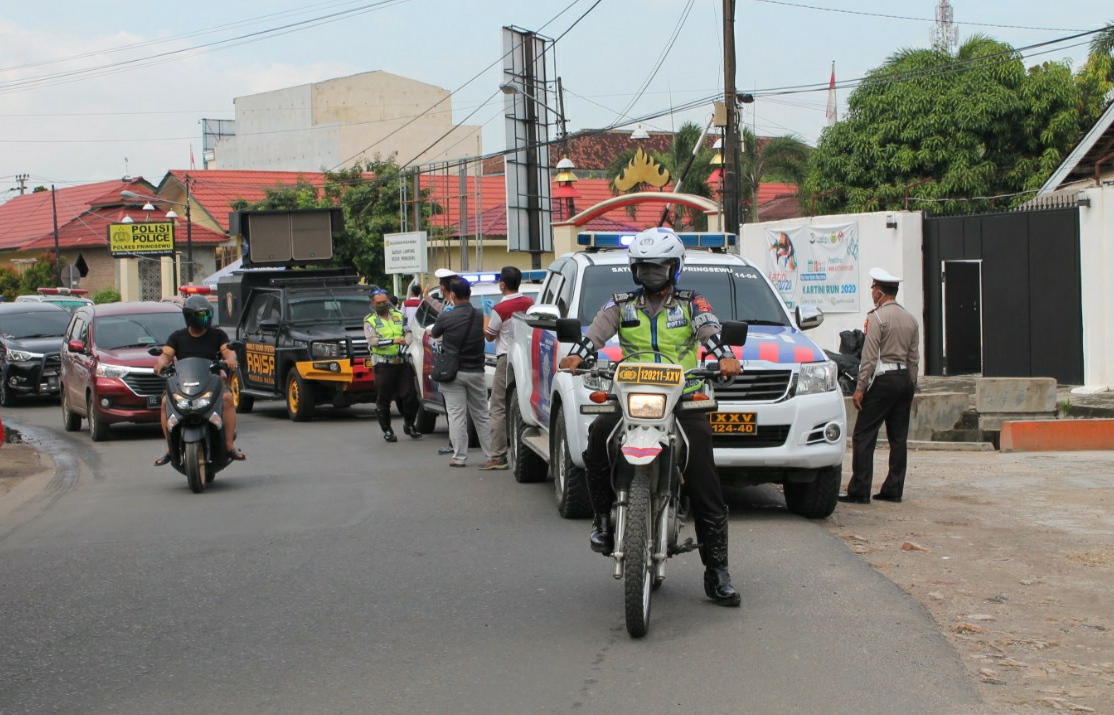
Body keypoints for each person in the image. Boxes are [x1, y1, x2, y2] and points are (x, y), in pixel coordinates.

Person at [557, 226, 744, 607]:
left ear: (674, 269)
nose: (650, 277)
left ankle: (717, 572)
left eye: (658, 269)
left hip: (682, 396)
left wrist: (724, 355)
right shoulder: (621, 304)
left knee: (705, 475)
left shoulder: (693, 303)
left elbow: (709, 330)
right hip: (630, 396)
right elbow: (596, 333)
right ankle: (602, 521)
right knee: (597, 442)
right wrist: (579, 353)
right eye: (643, 270)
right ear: (634, 271)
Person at [839, 267, 921, 505]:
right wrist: (912, 387)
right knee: (898, 437)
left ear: (880, 293)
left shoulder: (877, 317)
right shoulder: (911, 319)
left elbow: (869, 356)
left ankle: (860, 488)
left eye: (873, 288)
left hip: (883, 380)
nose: (872, 292)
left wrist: (860, 387)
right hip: (904, 380)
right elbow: (914, 359)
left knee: (864, 434)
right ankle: (894, 488)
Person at [154, 294, 244, 465]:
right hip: (183, 385)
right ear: (189, 317)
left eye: (207, 314)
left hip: (211, 383)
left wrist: (231, 359)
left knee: (228, 398)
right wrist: (160, 364)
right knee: (166, 401)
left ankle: (230, 446)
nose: (205, 319)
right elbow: (166, 354)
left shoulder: (217, 335)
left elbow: (227, 351)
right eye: (200, 315)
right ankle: (169, 448)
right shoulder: (177, 337)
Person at [429, 277, 493, 467]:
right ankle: (492, 455)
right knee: (482, 414)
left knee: (456, 415)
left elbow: (434, 333)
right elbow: (488, 333)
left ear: (453, 295)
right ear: (470, 294)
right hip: (476, 372)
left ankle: (459, 457)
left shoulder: (446, 316)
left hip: (452, 373)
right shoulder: (481, 315)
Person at [480, 266, 535, 471]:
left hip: (506, 360)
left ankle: (497, 455)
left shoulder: (500, 310)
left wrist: (487, 315)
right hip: (528, 359)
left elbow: (489, 335)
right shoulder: (530, 303)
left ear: (502, 284)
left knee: (498, 407)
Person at [364, 289, 421, 442]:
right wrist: (392, 341)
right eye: (379, 303)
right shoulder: (369, 321)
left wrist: (406, 343)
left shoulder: (398, 315)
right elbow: (372, 341)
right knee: (383, 398)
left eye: (385, 302)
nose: (383, 305)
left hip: (402, 362)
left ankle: (409, 424)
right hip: (383, 364)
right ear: (372, 303)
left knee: (411, 396)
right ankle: (387, 430)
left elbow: (408, 332)